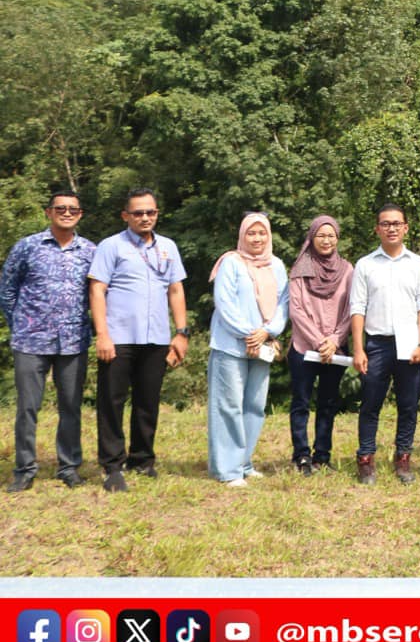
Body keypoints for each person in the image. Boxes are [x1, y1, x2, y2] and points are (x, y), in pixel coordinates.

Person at [88, 188, 189, 493]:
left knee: (148, 401)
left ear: (157, 214)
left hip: (156, 338)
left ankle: (142, 459)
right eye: (138, 213)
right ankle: (112, 466)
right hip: (118, 337)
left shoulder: (168, 247)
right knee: (112, 402)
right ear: (126, 216)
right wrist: (102, 334)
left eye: (151, 212)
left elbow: (176, 291)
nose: (145, 217)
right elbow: (97, 290)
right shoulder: (111, 246)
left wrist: (181, 333)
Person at [1, 190, 96, 491]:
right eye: (60, 208)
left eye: (73, 209)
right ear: (48, 212)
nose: (66, 212)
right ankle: (25, 469)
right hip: (30, 341)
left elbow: (99, 294)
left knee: (71, 406)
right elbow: (7, 288)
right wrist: (19, 323)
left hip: (73, 341)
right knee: (28, 408)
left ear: (80, 214)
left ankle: (68, 467)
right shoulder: (27, 246)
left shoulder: (90, 251)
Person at [350, 203, 420, 486]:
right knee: (370, 404)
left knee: (408, 405)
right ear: (377, 229)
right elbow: (357, 308)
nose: (392, 228)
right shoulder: (365, 265)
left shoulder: (418, 264)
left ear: (406, 227)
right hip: (376, 343)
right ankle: (366, 459)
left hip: (409, 343)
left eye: (397, 223)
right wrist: (358, 349)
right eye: (386, 223)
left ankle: (403, 457)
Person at [207, 212, 289, 486]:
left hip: (262, 344)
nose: (257, 238)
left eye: (261, 233)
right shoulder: (230, 262)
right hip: (231, 345)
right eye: (251, 233)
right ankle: (227, 470)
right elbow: (224, 303)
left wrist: (268, 331)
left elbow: (283, 304)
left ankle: (243, 462)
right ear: (242, 236)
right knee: (228, 406)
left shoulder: (276, 265)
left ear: (269, 235)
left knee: (254, 406)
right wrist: (249, 334)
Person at [286, 214, 352, 475]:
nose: (326, 240)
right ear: (312, 238)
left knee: (328, 403)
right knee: (301, 402)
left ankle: (322, 456)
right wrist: (318, 341)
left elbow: (352, 309)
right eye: (321, 235)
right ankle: (301, 455)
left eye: (331, 235)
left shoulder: (348, 270)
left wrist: (334, 340)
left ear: (337, 238)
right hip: (304, 347)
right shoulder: (300, 269)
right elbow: (297, 310)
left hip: (335, 350)